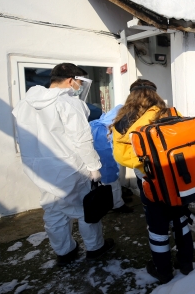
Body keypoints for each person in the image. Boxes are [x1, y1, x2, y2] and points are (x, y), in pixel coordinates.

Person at [12, 63, 114, 265]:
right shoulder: (68, 103)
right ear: (70, 80)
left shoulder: (25, 103)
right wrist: (94, 168)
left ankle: (64, 252)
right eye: (79, 82)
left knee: (54, 211)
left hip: (41, 170)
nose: (79, 87)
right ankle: (95, 248)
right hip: (71, 168)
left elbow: (20, 137)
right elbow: (82, 139)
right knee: (86, 210)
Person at [110, 79, 194, 284]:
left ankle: (162, 270)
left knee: (157, 226)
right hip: (176, 177)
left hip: (150, 181)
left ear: (131, 96)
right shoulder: (170, 113)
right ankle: (186, 263)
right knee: (180, 218)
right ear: (155, 95)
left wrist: (143, 162)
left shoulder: (123, 122)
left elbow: (120, 157)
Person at [89, 104, 133, 213]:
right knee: (110, 180)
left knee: (111, 179)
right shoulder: (104, 130)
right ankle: (117, 205)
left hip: (104, 159)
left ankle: (116, 199)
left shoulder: (98, 125)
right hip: (106, 159)